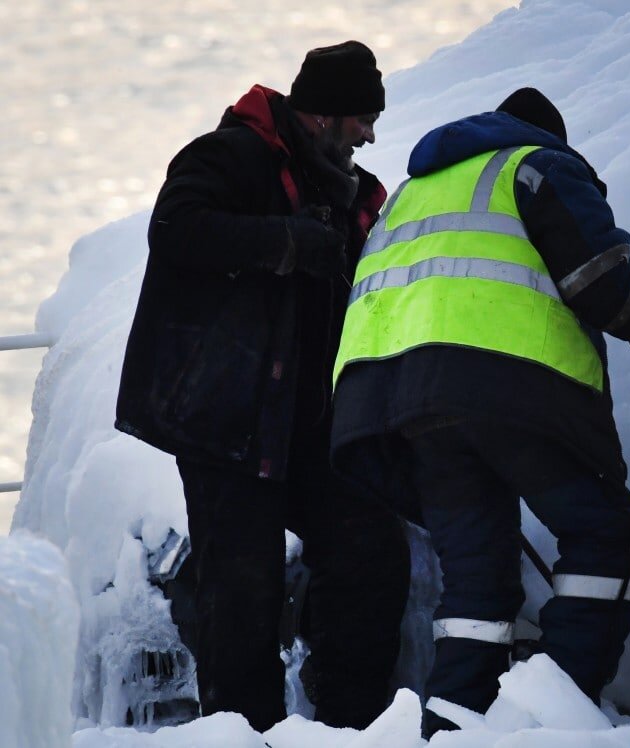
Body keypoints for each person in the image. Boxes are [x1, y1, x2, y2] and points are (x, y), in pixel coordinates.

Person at [329, 87, 630, 733]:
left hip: (398, 402)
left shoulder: (412, 192)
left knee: (476, 578)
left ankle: (453, 727)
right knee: (601, 535)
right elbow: (598, 278)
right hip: (507, 382)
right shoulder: (538, 165)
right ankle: (551, 718)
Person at [115, 42, 410, 732]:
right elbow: (174, 228)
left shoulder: (352, 196)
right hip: (228, 422)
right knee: (241, 590)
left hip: (309, 427)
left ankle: (349, 727)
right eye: (363, 118)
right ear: (322, 115)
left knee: (371, 547)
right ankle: (248, 736)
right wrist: (282, 243)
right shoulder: (229, 156)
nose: (370, 134)